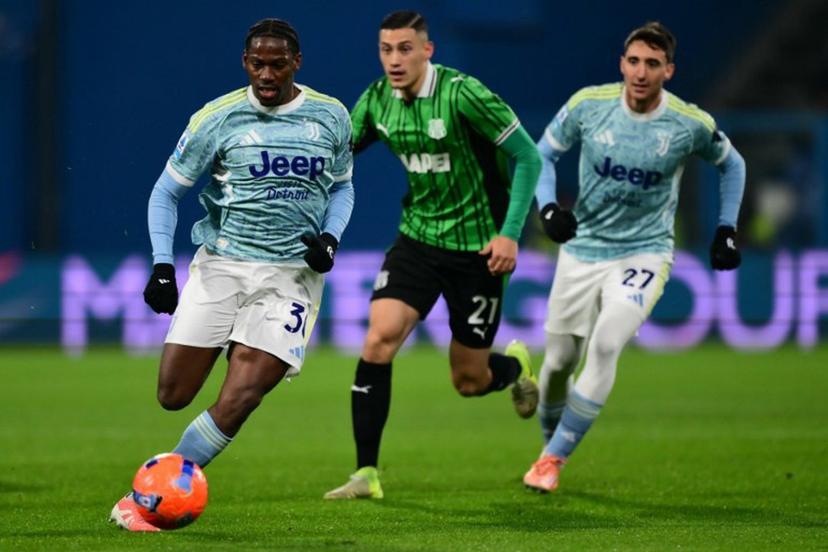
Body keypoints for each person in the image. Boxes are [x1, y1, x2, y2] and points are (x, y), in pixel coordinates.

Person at [109, 18, 355, 530]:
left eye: (278, 64)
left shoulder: (331, 116)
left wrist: (330, 239)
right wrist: (162, 267)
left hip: (290, 277)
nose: (267, 74)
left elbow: (342, 187)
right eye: (257, 64)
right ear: (245, 63)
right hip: (221, 266)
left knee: (243, 395)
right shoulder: (216, 118)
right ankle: (235, 344)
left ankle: (152, 497)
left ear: (296, 63)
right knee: (173, 394)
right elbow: (165, 192)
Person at [324, 10, 542, 500]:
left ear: (428, 50)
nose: (394, 60)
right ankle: (366, 473)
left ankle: (514, 369)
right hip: (418, 241)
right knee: (378, 339)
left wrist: (510, 234)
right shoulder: (376, 101)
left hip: (479, 250)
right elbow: (336, 156)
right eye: (386, 50)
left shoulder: (464, 95)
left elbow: (528, 156)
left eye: (405, 49)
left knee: (468, 380)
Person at [522, 21, 746, 493]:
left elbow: (733, 164)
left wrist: (727, 228)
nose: (641, 72)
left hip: (644, 253)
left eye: (652, 64)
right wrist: (548, 209)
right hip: (582, 250)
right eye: (634, 61)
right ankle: (549, 449)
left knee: (606, 344)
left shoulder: (688, 123)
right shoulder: (589, 106)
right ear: (622, 64)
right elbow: (541, 155)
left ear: (669, 71)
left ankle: (552, 459)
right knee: (559, 363)